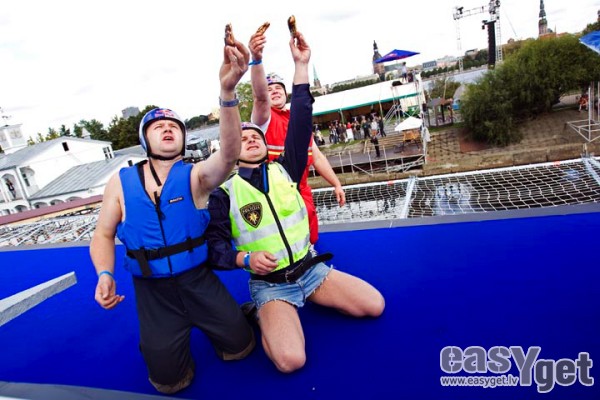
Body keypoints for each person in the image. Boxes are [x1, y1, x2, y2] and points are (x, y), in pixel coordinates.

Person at [206, 30, 385, 374]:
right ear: (231, 149)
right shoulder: (223, 193)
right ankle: (263, 312)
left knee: (374, 305)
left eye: (256, 135)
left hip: (311, 269)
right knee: (291, 361)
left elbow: (301, 120)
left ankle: (313, 296)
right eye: (242, 137)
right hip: (272, 285)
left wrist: (301, 65)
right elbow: (214, 249)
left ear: (265, 145)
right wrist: (245, 259)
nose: (251, 139)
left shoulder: (286, 168)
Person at [89, 37, 255, 395]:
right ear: (144, 140)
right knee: (168, 382)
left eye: (174, 127)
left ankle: (231, 318)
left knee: (241, 346)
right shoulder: (120, 182)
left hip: (198, 280)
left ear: (182, 139)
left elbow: (229, 154)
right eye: (158, 126)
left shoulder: (196, 177)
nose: (167, 129)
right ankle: (163, 345)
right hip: (152, 292)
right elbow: (102, 234)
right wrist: (104, 273)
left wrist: (227, 92)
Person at [248, 24, 345, 246]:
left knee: (310, 241)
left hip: (303, 192)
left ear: (286, 93)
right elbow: (260, 98)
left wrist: (336, 183)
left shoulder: (296, 120)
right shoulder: (263, 119)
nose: (274, 91)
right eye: (269, 89)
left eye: (278, 88)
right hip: (276, 196)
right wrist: (256, 60)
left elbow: (317, 157)